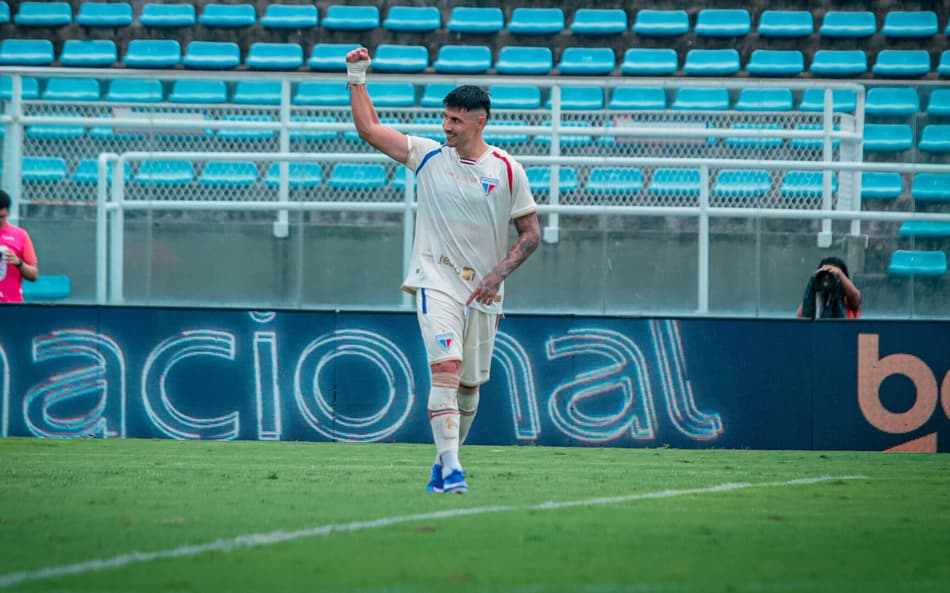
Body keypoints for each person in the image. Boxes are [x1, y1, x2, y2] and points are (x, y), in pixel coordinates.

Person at [345, 48, 541, 494]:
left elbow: (530, 235)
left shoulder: (508, 170)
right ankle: (453, 469)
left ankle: (443, 460)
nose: (446, 127)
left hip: (484, 293)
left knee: (468, 388)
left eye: (455, 120)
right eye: (445, 118)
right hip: (435, 282)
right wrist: (356, 76)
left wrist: (498, 274)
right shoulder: (428, 155)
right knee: (446, 370)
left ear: (480, 122)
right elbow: (369, 129)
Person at [0, 189, 39, 303]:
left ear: (7, 212)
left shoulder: (20, 235)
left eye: (2, 216)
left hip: (11, 305)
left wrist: (19, 263)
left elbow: (34, 275)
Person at [797, 256, 861, 319]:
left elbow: (856, 300)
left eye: (832, 276)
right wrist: (815, 279)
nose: (827, 280)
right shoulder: (813, 299)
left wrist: (839, 274)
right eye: (824, 276)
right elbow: (801, 316)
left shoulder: (847, 299)